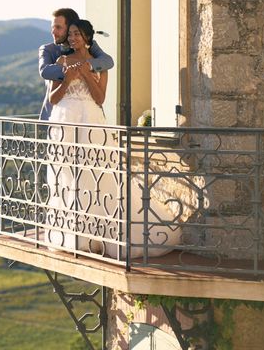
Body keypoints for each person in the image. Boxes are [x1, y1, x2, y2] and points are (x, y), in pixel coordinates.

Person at [44, 19, 180, 258]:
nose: (72, 38)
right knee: (67, 173)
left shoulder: (99, 65)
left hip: (91, 121)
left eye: (77, 34)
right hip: (65, 121)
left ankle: (101, 231)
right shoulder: (61, 62)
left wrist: (86, 74)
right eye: (71, 34)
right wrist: (66, 79)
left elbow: (99, 98)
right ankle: (75, 232)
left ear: (87, 38)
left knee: (95, 171)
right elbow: (54, 99)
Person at [39, 8, 113, 121]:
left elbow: (108, 61)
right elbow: (45, 71)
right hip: (58, 116)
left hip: (90, 117)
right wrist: (72, 72)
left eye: (58, 27)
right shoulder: (48, 50)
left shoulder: (91, 46)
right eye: (52, 28)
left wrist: (87, 67)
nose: (53, 32)